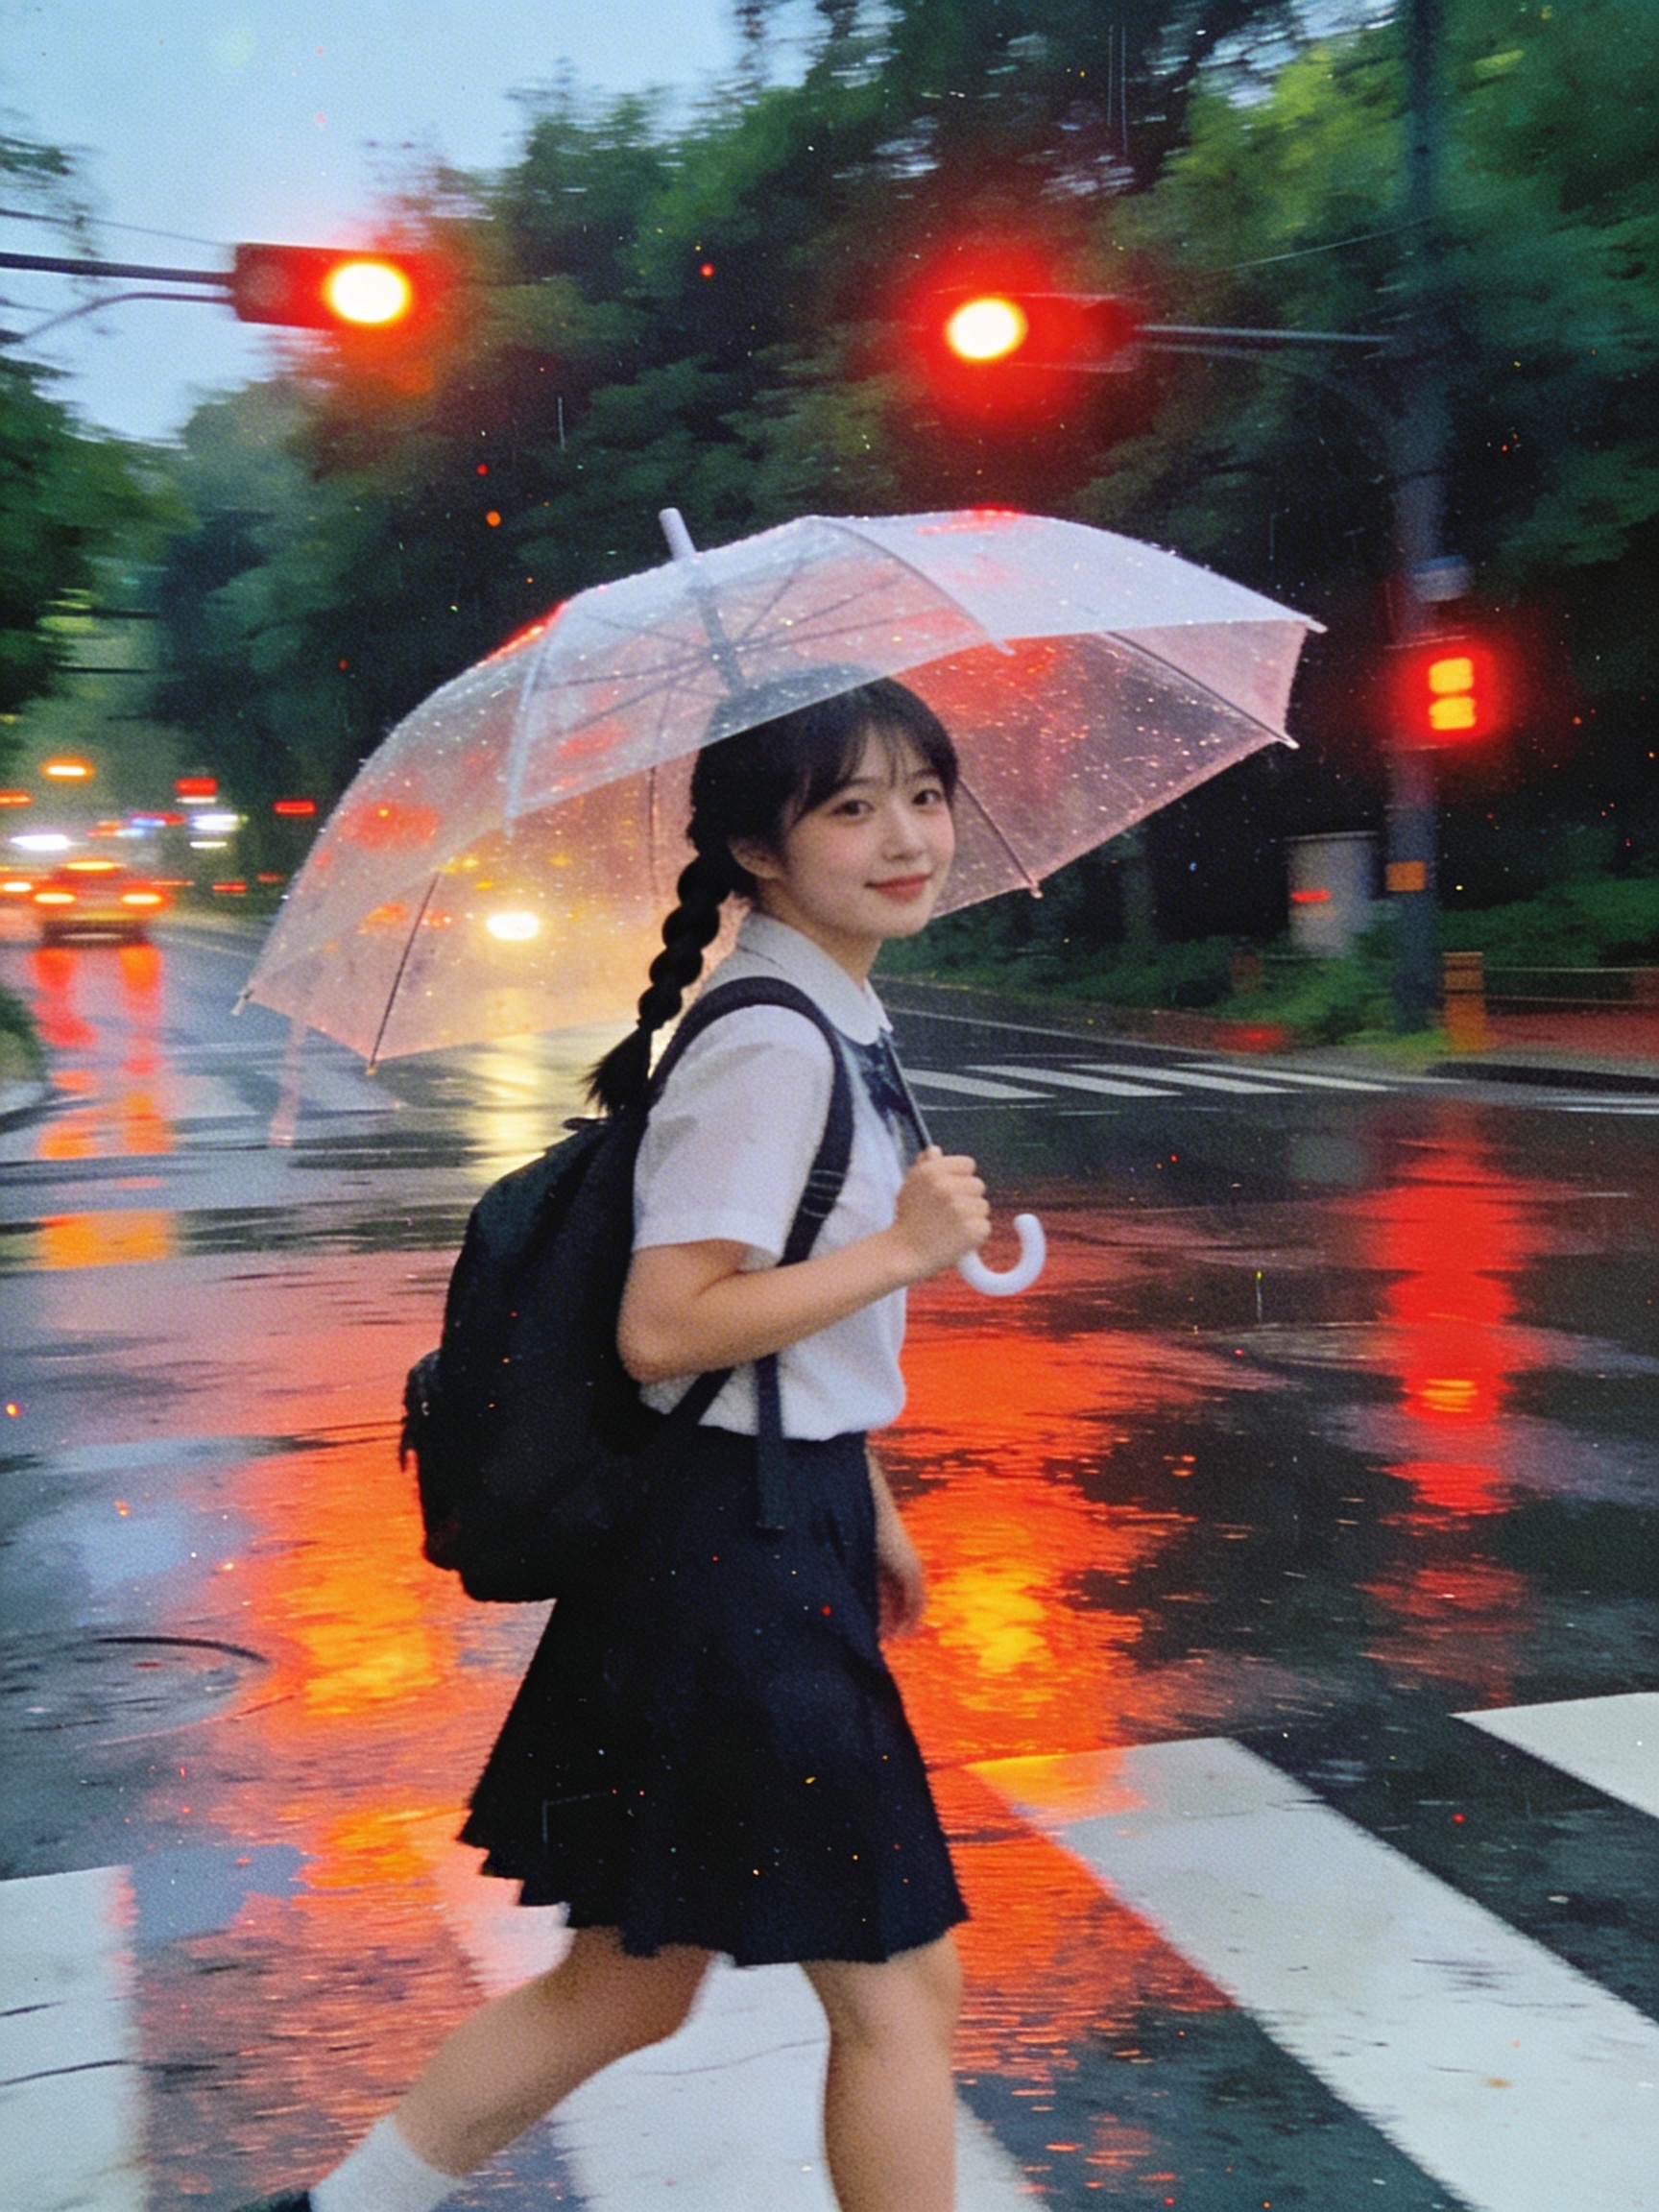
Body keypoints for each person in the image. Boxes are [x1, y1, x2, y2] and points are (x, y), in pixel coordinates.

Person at [245, 678, 991, 2212]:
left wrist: (872, 1497)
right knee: (900, 1994)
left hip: (762, 1535)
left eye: (923, 793)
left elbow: (781, 1337)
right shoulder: (771, 1042)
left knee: (629, 1985)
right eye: (850, 806)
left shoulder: (833, 1015)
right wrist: (906, 1252)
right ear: (756, 848)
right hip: (737, 1564)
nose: (906, 835)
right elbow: (669, 1328)